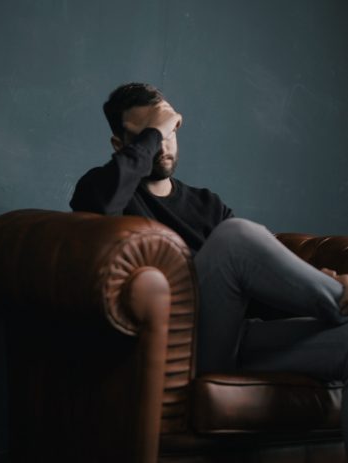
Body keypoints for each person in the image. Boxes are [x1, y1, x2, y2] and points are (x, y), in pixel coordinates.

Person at [70, 82, 348, 449]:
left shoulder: (206, 204)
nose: (163, 144)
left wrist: (306, 283)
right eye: (150, 135)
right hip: (182, 350)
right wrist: (155, 130)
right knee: (235, 236)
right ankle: (341, 298)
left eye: (169, 131)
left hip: (239, 340)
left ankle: (335, 300)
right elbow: (97, 207)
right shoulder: (104, 189)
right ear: (122, 145)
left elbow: (255, 290)